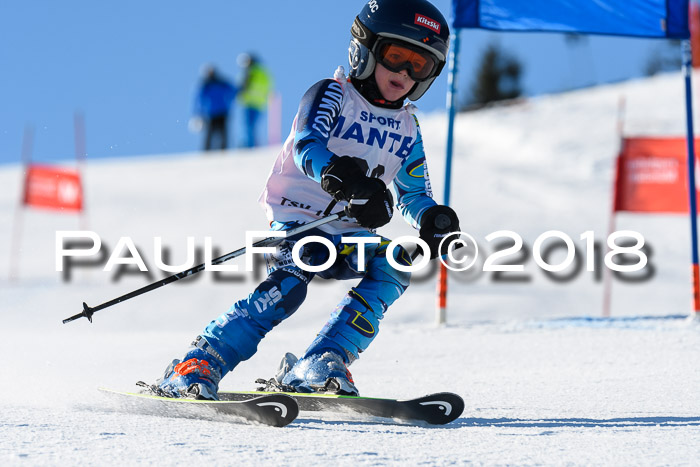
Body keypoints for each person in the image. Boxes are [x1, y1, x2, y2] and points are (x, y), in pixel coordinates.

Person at [154, 0, 460, 400]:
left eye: (418, 65)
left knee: (395, 263)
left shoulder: (407, 125)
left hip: (349, 233)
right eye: (395, 56)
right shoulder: (333, 94)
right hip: (300, 222)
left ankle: (322, 361)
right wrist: (343, 180)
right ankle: (198, 363)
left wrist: (432, 218)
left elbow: (414, 192)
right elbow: (307, 143)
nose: (404, 72)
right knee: (290, 288)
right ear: (365, 50)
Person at [191, 65, 237, 151]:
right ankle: (206, 151)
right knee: (210, 133)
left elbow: (233, 91)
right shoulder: (205, 85)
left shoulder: (221, 82)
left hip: (222, 112)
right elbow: (199, 99)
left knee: (222, 133)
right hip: (211, 113)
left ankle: (223, 150)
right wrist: (198, 113)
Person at [237, 53, 273, 148]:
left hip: (250, 102)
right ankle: (252, 143)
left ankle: (249, 145)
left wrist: (240, 93)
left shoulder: (250, 71)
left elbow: (243, 86)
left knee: (248, 125)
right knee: (252, 126)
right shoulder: (263, 72)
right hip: (260, 103)